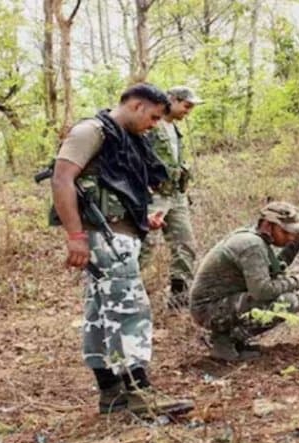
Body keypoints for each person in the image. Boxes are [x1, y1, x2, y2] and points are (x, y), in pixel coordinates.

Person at [51, 83, 193, 416]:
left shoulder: (124, 139)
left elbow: (114, 186)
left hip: (117, 232)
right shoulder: (91, 131)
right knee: (130, 309)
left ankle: (111, 393)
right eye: (154, 117)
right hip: (102, 235)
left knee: (102, 312)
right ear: (137, 106)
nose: (155, 124)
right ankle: (140, 394)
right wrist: (75, 235)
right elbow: (61, 179)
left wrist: (142, 217)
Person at [189, 202, 299, 361]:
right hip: (208, 309)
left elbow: (275, 268)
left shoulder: (255, 239)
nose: (290, 237)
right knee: (287, 302)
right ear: (269, 226)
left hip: (219, 303)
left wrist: (298, 241)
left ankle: (232, 340)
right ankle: (224, 342)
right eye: (285, 232)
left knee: (296, 296)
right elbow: (262, 290)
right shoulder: (252, 245)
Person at [140, 86, 203, 309]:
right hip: (154, 195)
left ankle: (179, 295)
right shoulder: (150, 127)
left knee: (185, 245)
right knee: (146, 246)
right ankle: (128, 292)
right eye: (186, 105)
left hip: (176, 195)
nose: (189, 111)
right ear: (172, 100)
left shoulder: (175, 129)